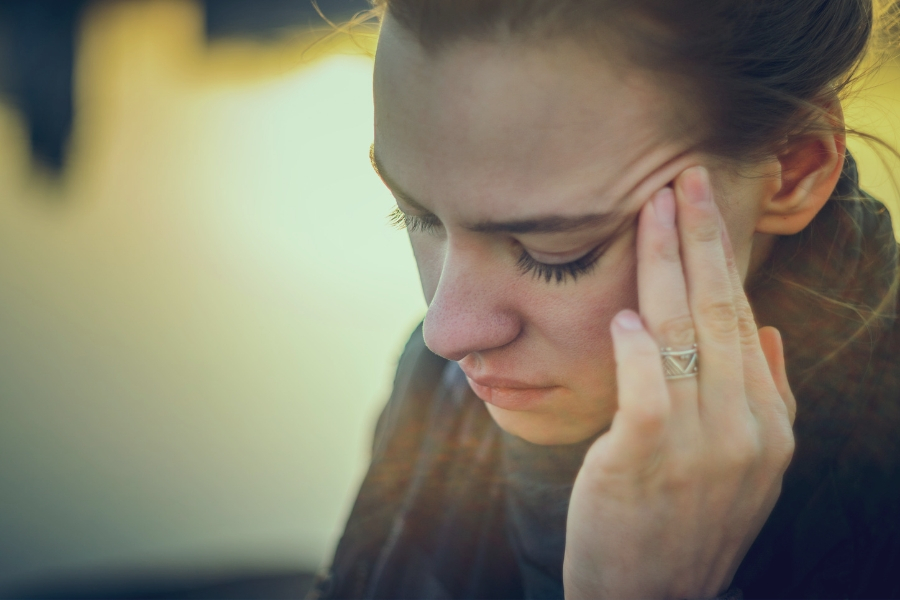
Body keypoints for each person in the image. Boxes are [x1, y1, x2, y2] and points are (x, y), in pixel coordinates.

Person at [312, 1, 900, 598]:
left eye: (556, 251)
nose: (445, 332)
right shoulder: (434, 391)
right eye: (413, 215)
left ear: (794, 169)